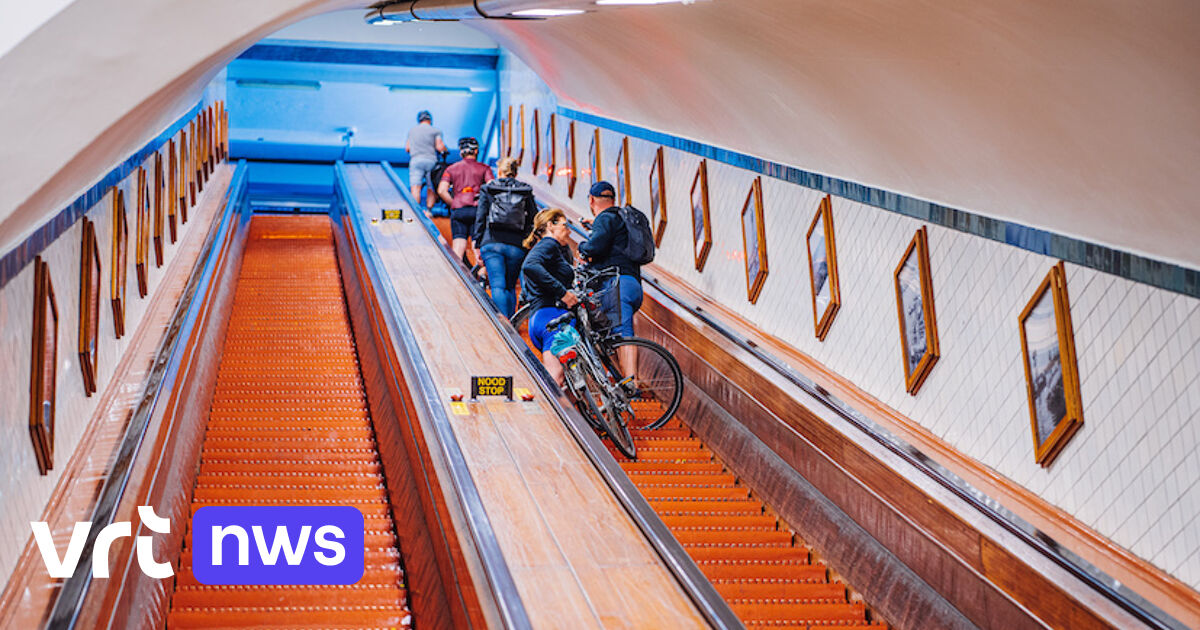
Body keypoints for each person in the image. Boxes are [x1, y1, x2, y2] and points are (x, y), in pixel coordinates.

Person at [578, 181, 642, 379]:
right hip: (633, 284)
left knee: (624, 333)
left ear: (591, 200)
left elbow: (594, 247)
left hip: (617, 285)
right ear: (613, 199)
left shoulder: (604, 219)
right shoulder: (621, 218)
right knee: (610, 335)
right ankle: (622, 380)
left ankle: (632, 385)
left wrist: (582, 246)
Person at [520, 208, 579, 386]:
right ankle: (541, 413)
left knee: (568, 382)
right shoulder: (548, 243)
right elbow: (530, 266)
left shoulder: (555, 249)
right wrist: (563, 293)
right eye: (564, 225)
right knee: (555, 378)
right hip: (552, 318)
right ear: (549, 225)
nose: (568, 230)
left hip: (543, 318)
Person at [474, 157, 537, 318]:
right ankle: (512, 324)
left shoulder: (489, 188)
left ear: (499, 171)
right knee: (510, 286)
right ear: (515, 172)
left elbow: (481, 217)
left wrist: (477, 243)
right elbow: (533, 218)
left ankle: (504, 325)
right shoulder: (525, 190)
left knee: (497, 286)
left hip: (492, 242)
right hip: (516, 245)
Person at [438, 137, 494, 261]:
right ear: (476, 151)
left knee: (458, 245)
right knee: (476, 246)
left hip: (459, 210)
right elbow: (492, 188)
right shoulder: (484, 168)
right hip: (477, 211)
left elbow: (441, 190)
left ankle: (457, 276)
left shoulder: (451, 169)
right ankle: (481, 275)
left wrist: (454, 203)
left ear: (461, 152)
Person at [405, 110, 447, 214]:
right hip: (430, 161)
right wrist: (445, 150)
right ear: (430, 120)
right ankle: (428, 211)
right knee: (430, 187)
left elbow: (407, 148)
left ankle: (416, 212)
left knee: (415, 187)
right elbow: (439, 146)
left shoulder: (412, 131)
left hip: (415, 160)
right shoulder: (435, 131)